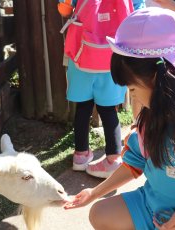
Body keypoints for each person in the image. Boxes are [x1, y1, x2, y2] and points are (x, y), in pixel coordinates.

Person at [64, 7, 175, 230]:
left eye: (132, 88)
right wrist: (94, 193)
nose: (131, 95)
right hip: (151, 207)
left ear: (157, 77)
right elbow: (135, 163)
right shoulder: (150, 118)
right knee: (100, 213)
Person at [58, 0, 133, 178]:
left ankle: (81, 155)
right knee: (108, 111)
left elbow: (64, 10)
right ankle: (113, 158)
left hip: (82, 54)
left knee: (83, 108)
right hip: (111, 56)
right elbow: (135, 14)